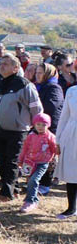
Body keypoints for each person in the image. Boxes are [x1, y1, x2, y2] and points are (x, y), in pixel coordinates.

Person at [0, 54, 44, 202]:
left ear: (16, 68)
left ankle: (6, 194)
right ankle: (13, 190)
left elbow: (36, 108)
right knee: (2, 161)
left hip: (18, 131)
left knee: (12, 162)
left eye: (6, 64)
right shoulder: (1, 83)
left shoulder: (25, 85)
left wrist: (35, 127)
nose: (2, 66)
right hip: (0, 130)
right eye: (1, 63)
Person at [18, 113, 59, 214]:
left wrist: (56, 153)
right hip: (30, 162)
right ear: (34, 124)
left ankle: (30, 201)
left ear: (48, 125)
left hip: (42, 163)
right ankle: (32, 198)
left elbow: (55, 150)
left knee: (34, 180)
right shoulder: (31, 136)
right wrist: (21, 160)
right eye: (38, 124)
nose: (40, 127)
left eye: (44, 125)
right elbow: (25, 148)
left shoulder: (50, 137)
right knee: (30, 181)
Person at [54, 81, 77, 219]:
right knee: (72, 170)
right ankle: (71, 208)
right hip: (72, 135)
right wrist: (58, 139)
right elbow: (64, 116)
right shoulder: (72, 91)